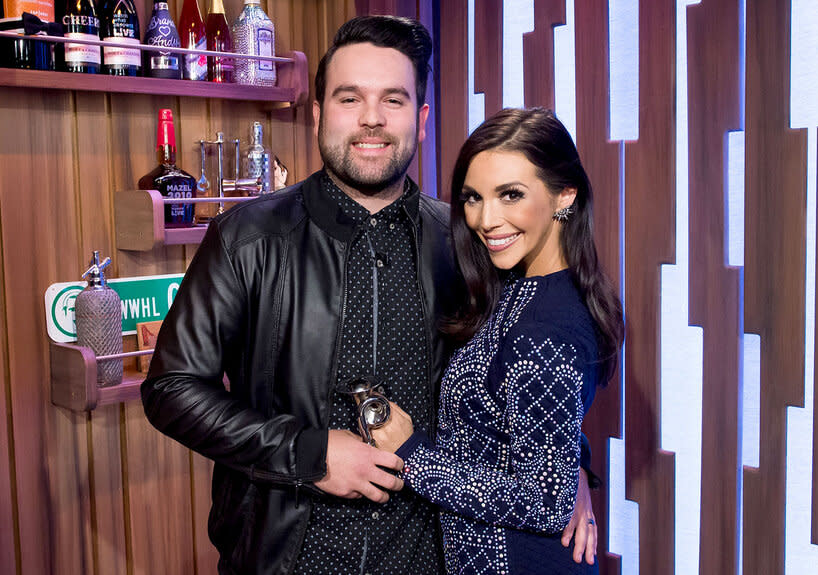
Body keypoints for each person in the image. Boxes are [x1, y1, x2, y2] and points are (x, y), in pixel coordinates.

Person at [141, 16, 598, 575]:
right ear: (318, 115)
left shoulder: (469, 241)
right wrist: (309, 454)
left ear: (421, 119)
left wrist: (573, 469)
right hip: (286, 555)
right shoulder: (247, 237)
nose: (372, 119)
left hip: (434, 553)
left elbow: (529, 375)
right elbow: (171, 389)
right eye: (349, 97)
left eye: (394, 100)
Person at [373, 107, 624, 574]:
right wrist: (572, 464)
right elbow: (535, 423)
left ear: (564, 196)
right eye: (473, 198)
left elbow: (544, 504)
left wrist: (411, 455)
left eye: (511, 195)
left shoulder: (547, 326)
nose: (487, 219)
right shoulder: (522, 287)